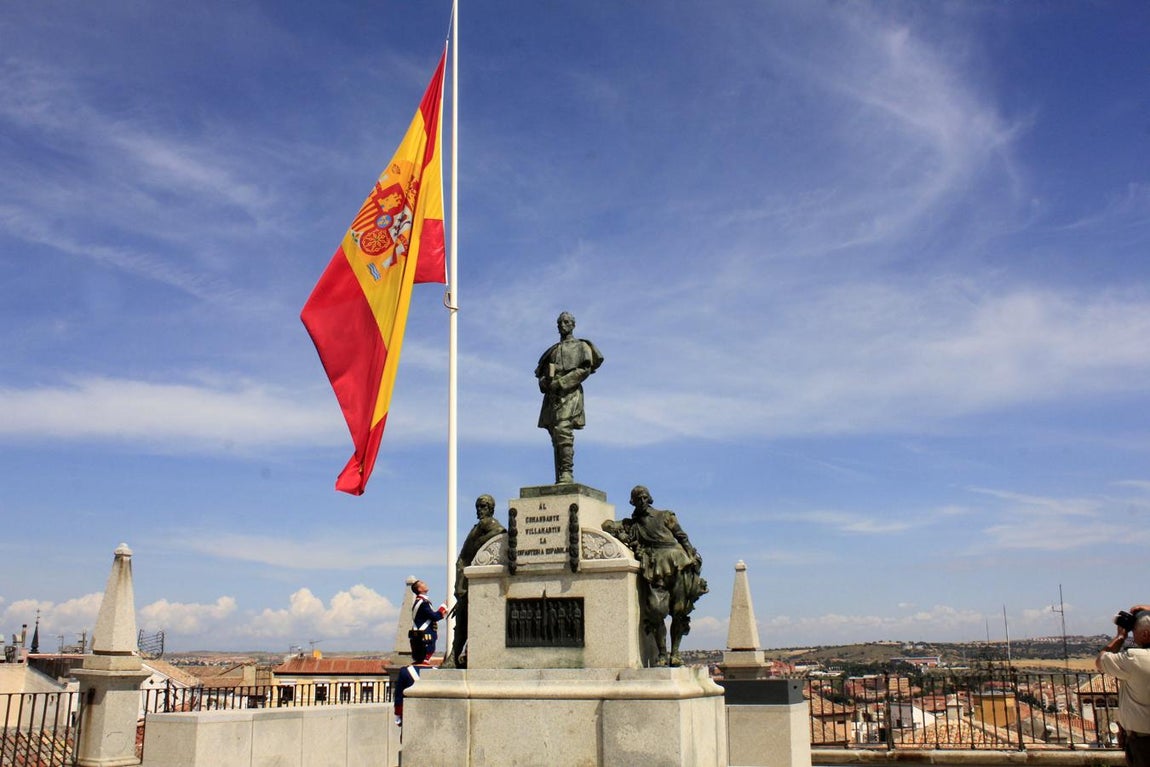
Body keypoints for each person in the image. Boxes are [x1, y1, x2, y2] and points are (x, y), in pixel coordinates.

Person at [603, 485, 707, 667]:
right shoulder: (632, 525)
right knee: (656, 610)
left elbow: (682, 537)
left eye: (645, 497)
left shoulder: (665, 515)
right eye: (638, 499)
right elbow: (607, 525)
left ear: (649, 498)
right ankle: (662, 653)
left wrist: (692, 557)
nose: (642, 501)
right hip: (655, 568)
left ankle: (675, 653)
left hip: (678, 563)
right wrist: (619, 531)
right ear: (633, 502)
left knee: (679, 610)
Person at [534, 311, 604, 484]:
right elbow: (541, 376)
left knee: (563, 430)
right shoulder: (552, 350)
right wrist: (545, 382)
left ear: (573, 325)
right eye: (559, 323)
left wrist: (562, 382)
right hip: (552, 396)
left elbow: (584, 369)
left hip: (570, 393)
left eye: (566, 322)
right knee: (555, 434)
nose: (562, 325)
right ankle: (559, 476)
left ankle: (567, 473)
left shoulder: (582, 346)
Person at [444, 494, 506, 668]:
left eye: (483, 506)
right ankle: (455, 656)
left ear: (491, 509)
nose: (479, 510)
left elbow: (500, 536)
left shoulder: (495, 528)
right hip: (467, 582)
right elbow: (463, 558)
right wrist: (459, 586)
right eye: (478, 506)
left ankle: (464, 656)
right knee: (462, 622)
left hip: (482, 582)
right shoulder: (476, 529)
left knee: (476, 622)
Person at [1097, 605, 1150, 767]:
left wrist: (1120, 636)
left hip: (1144, 742)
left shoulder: (1134, 659)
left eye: (1134, 631)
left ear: (1146, 634)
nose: (1133, 636)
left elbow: (1101, 661)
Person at [408, 580, 446, 664]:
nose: (425, 584)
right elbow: (434, 617)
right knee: (425, 659)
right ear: (419, 589)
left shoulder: (422, 601)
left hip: (421, 634)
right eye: (422, 583)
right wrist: (443, 607)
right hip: (425, 635)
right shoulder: (423, 603)